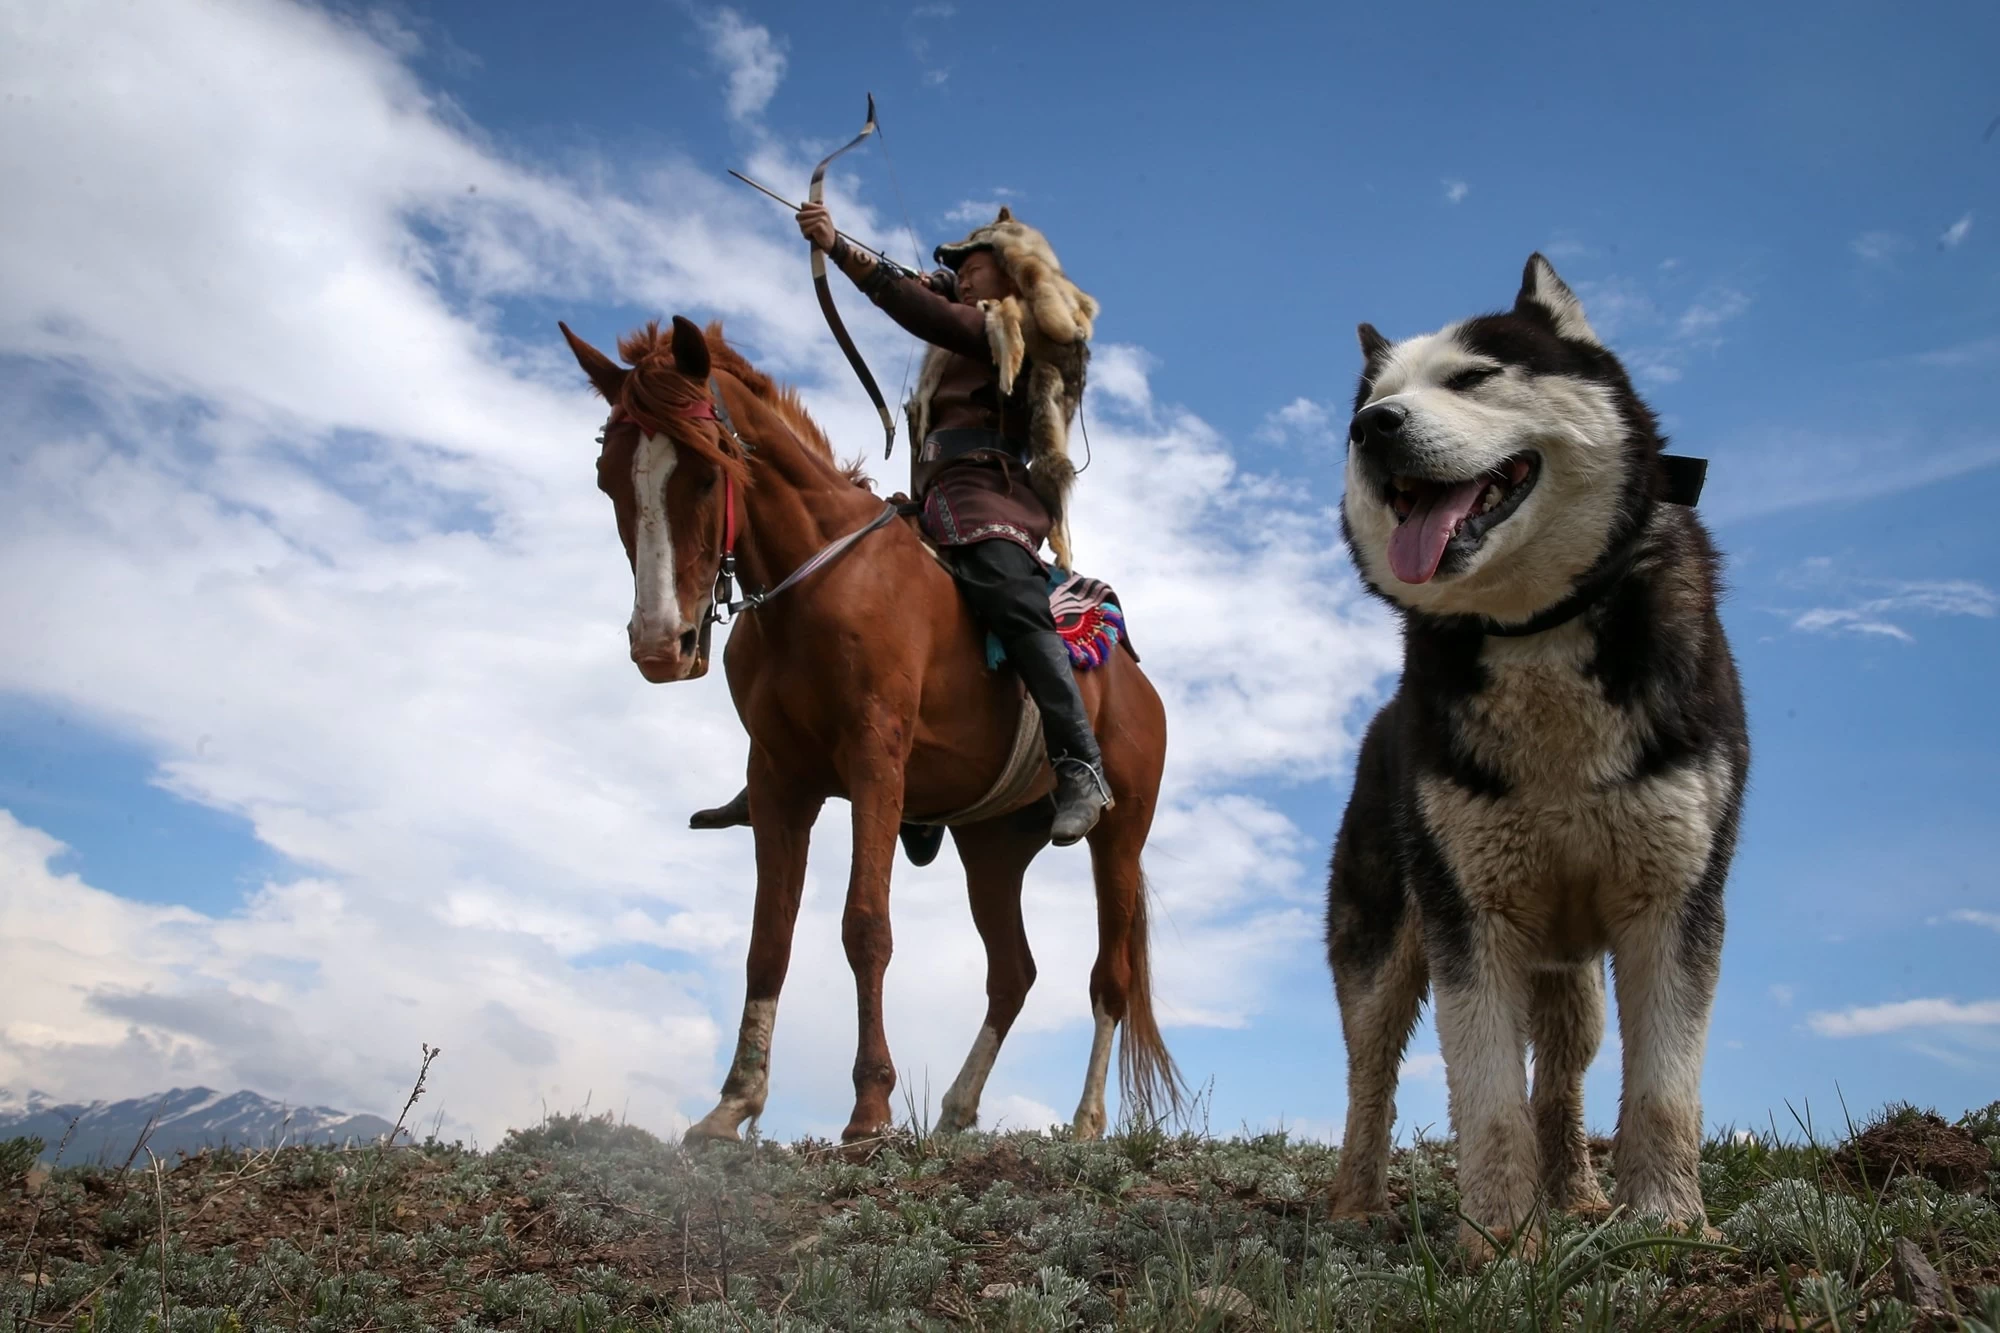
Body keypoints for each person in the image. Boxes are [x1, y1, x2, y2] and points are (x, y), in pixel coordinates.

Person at [690, 203, 1111, 853]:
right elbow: (931, 302)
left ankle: (1080, 762)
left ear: (1012, 274)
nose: (963, 279)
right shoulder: (966, 324)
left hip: (991, 493)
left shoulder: (1015, 326)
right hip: (930, 496)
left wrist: (841, 250)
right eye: (958, 272)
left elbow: (931, 315)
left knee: (1009, 590)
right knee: (829, 590)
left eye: (974, 268)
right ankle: (784, 758)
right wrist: (908, 274)